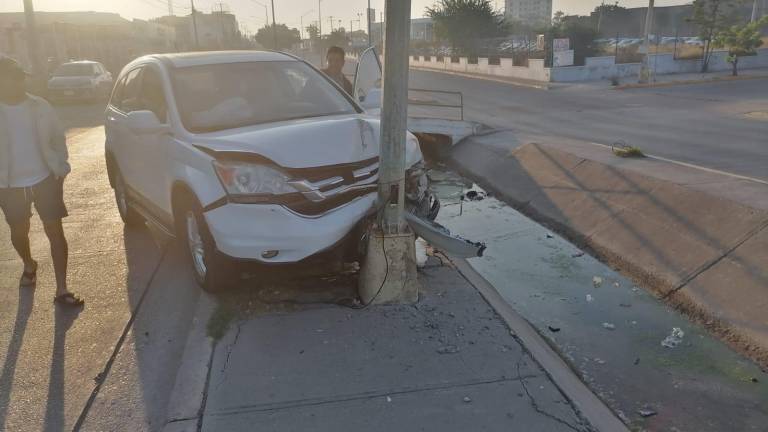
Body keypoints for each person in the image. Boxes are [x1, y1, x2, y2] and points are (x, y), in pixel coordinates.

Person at [0, 57, 84, 307]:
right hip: (9, 185)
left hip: (45, 179)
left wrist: (62, 166)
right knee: (18, 231)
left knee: (55, 230)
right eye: (13, 76)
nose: (19, 80)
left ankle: (62, 289)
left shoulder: (40, 106)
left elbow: (58, 138)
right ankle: (28, 263)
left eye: (20, 75)